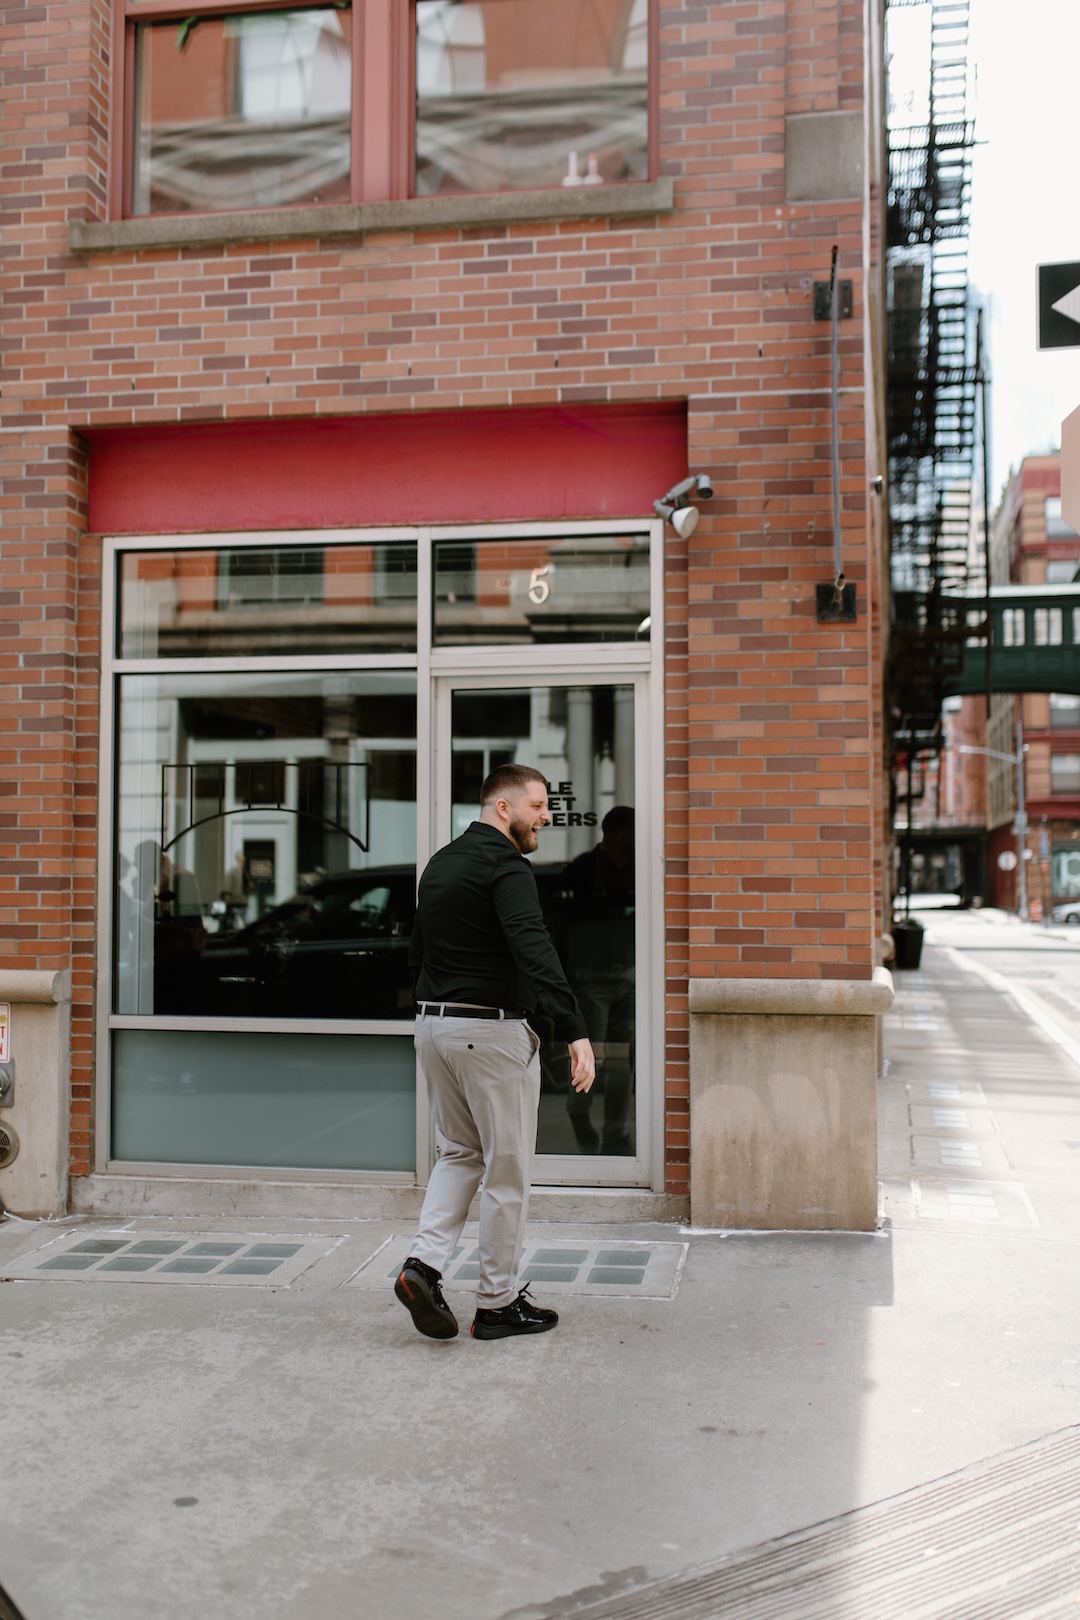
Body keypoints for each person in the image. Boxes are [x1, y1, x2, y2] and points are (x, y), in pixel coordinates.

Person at [396, 763, 595, 1342]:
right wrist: (574, 1026)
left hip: (434, 1027)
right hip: (489, 1033)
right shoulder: (507, 865)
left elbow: (418, 950)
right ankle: (497, 1302)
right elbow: (532, 942)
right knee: (507, 1171)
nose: (547, 816)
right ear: (503, 808)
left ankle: (422, 1267)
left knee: (460, 1153)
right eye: (538, 806)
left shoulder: (442, 861)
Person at [559, 806, 636, 1155]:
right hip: (591, 978)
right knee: (591, 1055)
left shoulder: (641, 868)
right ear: (622, 834)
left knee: (624, 1061)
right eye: (634, 831)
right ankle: (578, 1111)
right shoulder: (581, 871)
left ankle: (616, 1133)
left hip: (632, 977)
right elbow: (561, 925)